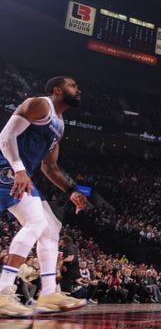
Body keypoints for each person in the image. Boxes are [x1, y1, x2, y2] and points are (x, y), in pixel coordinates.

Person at [0, 76, 89, 316]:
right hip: (6, 167)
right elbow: (5, 136)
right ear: (58, 90)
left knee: (50, 227)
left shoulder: (59, 124)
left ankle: (49, 294)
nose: (78, 89)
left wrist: (71, 191)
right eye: (73, 85)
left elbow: (49, 167)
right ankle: (2, 292)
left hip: (21, 173)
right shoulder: (39, 104)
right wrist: (18, 169)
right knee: (37, 222)